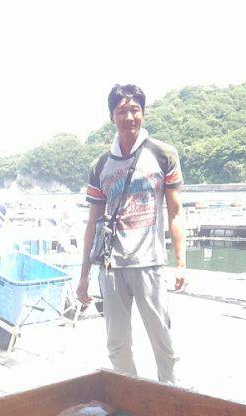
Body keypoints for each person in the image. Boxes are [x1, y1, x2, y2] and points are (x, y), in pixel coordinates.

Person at [77, 83, 186, 384]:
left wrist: (181, 262)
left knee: (162, 340)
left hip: (149, 263)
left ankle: (172, 400)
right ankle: (133, 400)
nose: (129, 117)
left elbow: (176, 212)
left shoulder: (163, 154)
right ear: (112, 116)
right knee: (117, 344)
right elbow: (92, 223)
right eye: (122, 111)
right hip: (111, 267)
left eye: (135, 109)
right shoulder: (100, 165)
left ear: (144, 113)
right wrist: (84, 274)